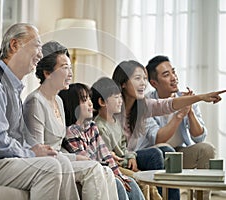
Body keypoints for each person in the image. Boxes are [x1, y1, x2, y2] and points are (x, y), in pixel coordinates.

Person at [0, 23, 80, 200]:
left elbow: (14, 139)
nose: (41, 54)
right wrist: (31, 153)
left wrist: (35, 149)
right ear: (14, 45)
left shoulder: (13, 88)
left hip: (2, 161)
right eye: (36, 46)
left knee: (63, 162)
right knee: (49, 168)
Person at [112, 60, 226, 200]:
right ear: (123, 83)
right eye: (137, 79)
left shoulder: (143, 106)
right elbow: (156, 138)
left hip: (154, 154)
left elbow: (168, 105)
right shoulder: (112, 106)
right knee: (160, 151)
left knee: (175, 151)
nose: (143, 83)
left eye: (144, 79)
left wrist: (200, 98)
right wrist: (180, 114)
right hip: (131, 155)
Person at [23, 40, 118, 200]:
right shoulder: (35, 102)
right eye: (64, 68)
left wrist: (76, 157)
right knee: (93, 169)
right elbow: (39, 153)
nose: (70, 73)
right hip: (46, 164)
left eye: (70, 67)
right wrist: (75, 157)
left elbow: (58, 146)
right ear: (47, 73)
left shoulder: (58, 101)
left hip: (60, 159)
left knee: (106, 170)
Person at [145, 55, 216, 199]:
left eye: (173, 72)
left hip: (180, 152)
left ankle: (202, 197)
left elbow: (199, 137)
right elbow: (157, 139)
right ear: (154, 83)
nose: (173, 77)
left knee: (207, 149)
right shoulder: (147, 103)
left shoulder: (185, 97)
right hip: (158, 155)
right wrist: (179, 114)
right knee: (166, 148)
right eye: (166, 75)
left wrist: (189, 112)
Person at [58, 82, 145, 200]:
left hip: (105, 168)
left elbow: (106, 155)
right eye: (84, 100)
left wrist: (119, 175)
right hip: (96, 170)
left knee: (130, 183)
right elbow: (88, 161)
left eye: (89, 98)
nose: (90, 103)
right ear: (73, 106)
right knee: (119, 184)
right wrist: (116, 176)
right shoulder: (71, 132)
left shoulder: (92, 127)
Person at [91, 77, 162, 200]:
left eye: (120, 97)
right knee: (143, 182)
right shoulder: (100, 127)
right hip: (116, 167)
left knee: (151, 184)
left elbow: (124, 146)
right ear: (102, 102)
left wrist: (131, 156)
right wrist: (126, 160)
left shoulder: (116, 122)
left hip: (124, 163)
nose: (120, 101)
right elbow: (108, 157)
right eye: (116, 98)